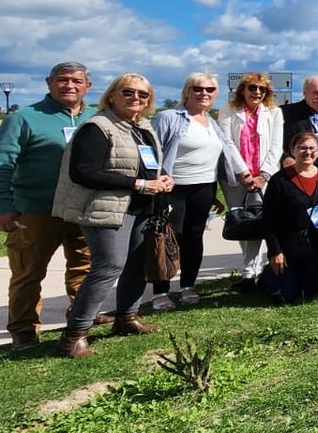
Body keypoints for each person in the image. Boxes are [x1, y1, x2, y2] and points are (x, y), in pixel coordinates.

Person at [52, 73, 174, 357]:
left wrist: (163, 179)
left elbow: (146, 165)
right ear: (112, 95)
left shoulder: (143, 128)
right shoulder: (97, 127)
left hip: (142, 206)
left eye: (143, 95)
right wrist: (140, 184)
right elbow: (83, 172)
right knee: (108, 267)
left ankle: (127, 318)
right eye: (128, 92)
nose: (136, 99)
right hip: (106, 208)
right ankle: (74, 334)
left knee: (136, 264)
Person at [0, 61, 100, 348]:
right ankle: (24, 328)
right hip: (36, 209)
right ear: (49, 82)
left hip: (84, 209)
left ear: (89, 85)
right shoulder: (24, 118)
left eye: (77, 80)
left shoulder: (99, 118)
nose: (69, 85)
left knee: (85, 267)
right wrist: (2, 207)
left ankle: (81, 318)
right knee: (28, 272)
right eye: (62, 80)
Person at [149, 72, 241, 311]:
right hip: (173, 188)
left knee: (194, 237)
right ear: (187, 91)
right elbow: (150, 152)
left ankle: (187, 285)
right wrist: (156, 180)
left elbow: (216, 158)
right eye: (198, 89)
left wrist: (215, 193)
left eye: (210, 90)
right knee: (168, 239)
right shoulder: (169, 117)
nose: (204, 94)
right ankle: (161, 291)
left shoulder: (211, 122)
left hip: (203, 187)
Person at [218, 72, 285, 290]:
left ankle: (258, 272)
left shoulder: (274, 113)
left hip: (265, 177)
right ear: (242, 90)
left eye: (262, 89)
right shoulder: (228, 110)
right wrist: (244, 173)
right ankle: (249, 273)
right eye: (252, 88)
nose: (257, 92)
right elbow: (226, 143)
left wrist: (263, 175)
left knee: (263, 221)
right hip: (237, 178)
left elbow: (276, 145)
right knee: (243, 222)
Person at [261, 132, 318, 305]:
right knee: (286, 297)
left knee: (308, 292)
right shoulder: (279, 180)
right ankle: (269, 275)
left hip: (313, 244)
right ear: (292, 150)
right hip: (288, 246)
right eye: (302, 147)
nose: (307, 152)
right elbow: (269, 219)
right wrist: (275, 251)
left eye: (312, 148)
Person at [281, 75, 318, 169]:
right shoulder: (286, 113)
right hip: (294, 169)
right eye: (316, 93)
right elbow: (272, 142)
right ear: (305, 93)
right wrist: (285, 158)